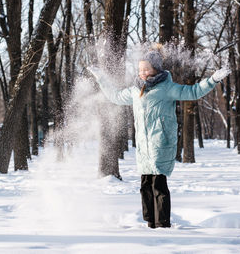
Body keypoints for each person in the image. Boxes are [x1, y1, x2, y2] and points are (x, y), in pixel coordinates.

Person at [88, 49, 230, 229]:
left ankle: (163, 224)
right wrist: (101, 78)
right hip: (144, 148)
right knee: (145, 186)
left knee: (158, 186)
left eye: (146, 69)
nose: (142, 73)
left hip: (161, 144)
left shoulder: (167, 88)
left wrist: (213, 80)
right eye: (140, 70)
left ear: (156, 69)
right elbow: (115, 96)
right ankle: (150, 223)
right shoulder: (135, 90)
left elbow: (192, 92)